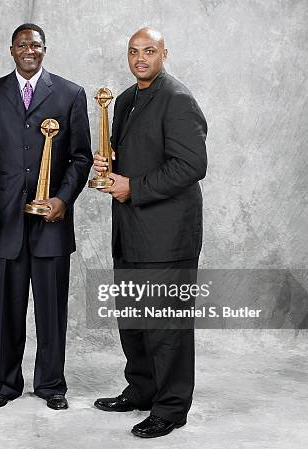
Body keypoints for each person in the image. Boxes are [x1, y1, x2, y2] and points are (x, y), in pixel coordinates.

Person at [92, 28, 207, 438]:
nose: (140, 58)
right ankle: (141, 389)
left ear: (164, 54)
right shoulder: (125, 100)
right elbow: (133, 155)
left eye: (149, 51)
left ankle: (171, 407)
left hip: (167, 236)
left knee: (166, 326)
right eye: (134, 51)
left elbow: (192, 165)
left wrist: (133, 187)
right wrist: (109, 165)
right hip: (130, 233)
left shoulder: (176, 99)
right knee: (134, 321)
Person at [0, 23, 92, 411]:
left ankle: (51, 385)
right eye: (22, 45)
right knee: (7, 306)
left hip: (51, 222)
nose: (29, 50)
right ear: (11, 50)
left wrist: (63, 199)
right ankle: (3, 385)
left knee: (51, 307)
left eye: (36, 45)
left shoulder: (71, 94)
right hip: (6, 219)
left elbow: (81, 156)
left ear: (45, 50)